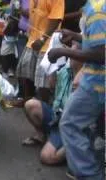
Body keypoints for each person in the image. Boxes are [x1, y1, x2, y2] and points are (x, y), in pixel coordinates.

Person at [48, 0, 105, 179]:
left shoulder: (97, 11)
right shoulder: (93, 9)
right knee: (86, 126)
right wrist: (75, 35)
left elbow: (100, 54)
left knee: (70, 123)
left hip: (97, 82)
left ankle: (89, 174)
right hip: (94, 79)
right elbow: (95, 44)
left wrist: (63, 52)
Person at [22, 52, 83, 165]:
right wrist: (53, 76)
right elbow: (52, 88)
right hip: (57, 117)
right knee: (30, 104)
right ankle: (42, 136)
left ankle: (73, 146)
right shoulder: (65, 70)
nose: (70, 56)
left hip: (70, 126)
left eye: (74, 53)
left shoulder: (89, 79)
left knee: (47, 157)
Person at [16, 0, 65, 104]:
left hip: (47, 44)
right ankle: (28, 103)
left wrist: (42, 39)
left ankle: (44, 109)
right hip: (32, 40)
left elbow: (56, 19)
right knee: (25, 73)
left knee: (43, 83)